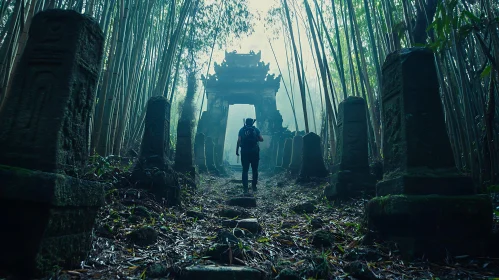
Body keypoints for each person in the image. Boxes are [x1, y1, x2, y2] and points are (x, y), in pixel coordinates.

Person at [236, 118, 264, 193]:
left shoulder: (242, 130)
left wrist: (237, 150)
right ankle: (254, 187)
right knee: (255, 170)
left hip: (245, 151)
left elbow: (239, 140)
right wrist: (256, 139)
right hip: (254, 151)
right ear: (252, 123)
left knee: (245, 170)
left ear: (245, 122)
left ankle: (245, 188)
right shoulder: (256, 130)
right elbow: (261, 139)